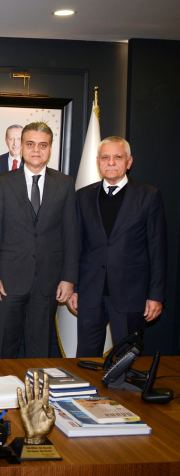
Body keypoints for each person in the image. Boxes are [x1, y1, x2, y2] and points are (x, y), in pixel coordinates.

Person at [0, 122, 79, 358]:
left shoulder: (65, 183)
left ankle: (36, 385)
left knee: (40, 351)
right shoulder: (3, 182)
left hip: (48, 282)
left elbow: (71, 235)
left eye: (43, 145)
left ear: (50, 149)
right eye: (31, 144)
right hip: (8, 281)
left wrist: (69, 279)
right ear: (21, 147)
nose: (36, 150)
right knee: (6, 349)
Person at [68, 137, 166, 357]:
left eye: (118, 157)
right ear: (98, 162)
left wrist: (156, 295)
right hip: (90, 293)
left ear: (129, 162)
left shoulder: (149, 196)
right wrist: (74, 287)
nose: (110, 162)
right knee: (85, 360)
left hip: (131, 295)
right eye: (105, 157)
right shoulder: (82, 196)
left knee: (126, 360)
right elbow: (77, 246)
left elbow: (157, 249)